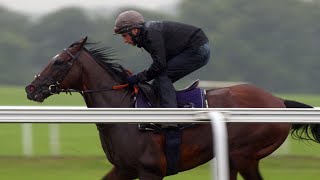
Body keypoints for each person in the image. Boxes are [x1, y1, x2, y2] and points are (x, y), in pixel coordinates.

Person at [114, 10, 211, 108]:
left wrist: (138, 77)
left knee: (163, 76)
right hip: (195, 47)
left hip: (197, 48)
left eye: (125, 36)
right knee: (158, 84)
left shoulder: (150, 35)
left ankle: (171, 116)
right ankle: (181, 106)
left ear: (135, 30)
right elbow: (159, 65)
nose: (125, 41)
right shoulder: (145, 35)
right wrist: (141, 77)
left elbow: (159, 65)